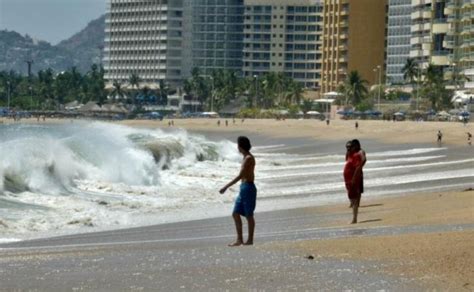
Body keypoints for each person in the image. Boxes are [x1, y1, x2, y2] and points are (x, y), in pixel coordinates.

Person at [220, 136, 257, 246]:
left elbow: (241, 175)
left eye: (238, 145)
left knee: (249, 215)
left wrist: (226, 186)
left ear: (241, 146)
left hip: (248, 188)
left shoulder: (248, 158)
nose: (237, 147)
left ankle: (250, 240)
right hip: (243, 188)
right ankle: (239, 239)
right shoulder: (245, 157)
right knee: (235, 213)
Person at [344, 140, 364, 224]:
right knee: (351, 198)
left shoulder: (356, 155)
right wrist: (347, 151)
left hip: (353, 180)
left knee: (354, 199)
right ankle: (354, 216)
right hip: (347, 180)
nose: (348, 149)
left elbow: (358, 167)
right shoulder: (350, 155)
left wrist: (354, 179)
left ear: (354, 147)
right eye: (347, 147)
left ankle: (354, 218)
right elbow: (346, 160)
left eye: (350, 147)